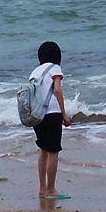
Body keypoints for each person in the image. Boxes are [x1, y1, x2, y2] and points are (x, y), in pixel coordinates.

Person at [29, 41, 72, 200]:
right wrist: (64, 114)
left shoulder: (34, 72)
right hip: (51, 112)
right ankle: (51, 189)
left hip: (37, 115)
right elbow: (58, 91)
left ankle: (42, 188)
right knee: (53, 151)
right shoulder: (55, 68)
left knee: (44, 150)